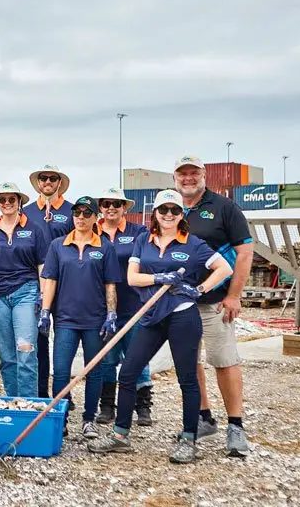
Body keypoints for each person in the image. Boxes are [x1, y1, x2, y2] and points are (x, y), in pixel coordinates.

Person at [87, 190, 232, 464]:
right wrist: (157, 277)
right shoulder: (145, 240)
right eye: (163, 210)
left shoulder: (194, 244)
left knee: (187, 379)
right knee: (128, 373)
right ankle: (120, 436)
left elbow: (224, 268)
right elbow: (131, 278)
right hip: (152, 315)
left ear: (181, 215)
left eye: (174, 211)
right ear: (155, 213)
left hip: (182, 316)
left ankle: (189, 439)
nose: (168, 215)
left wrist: (198, 289)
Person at [174, 155, 254, 457]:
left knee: (224, 361)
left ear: (204, 175)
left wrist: (234, 296)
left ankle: (236, 426)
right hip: (181, 303)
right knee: (189, 363)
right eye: (182, 174)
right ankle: (204, 417)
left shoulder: (224, 208)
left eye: (193, 173)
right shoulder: (170, 209)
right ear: (175, 178)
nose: (188, 178)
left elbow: (244, 253)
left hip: (216, 302)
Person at [40, 196, 120, 439]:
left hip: (95, 320)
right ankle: (61, 418)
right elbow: (50, 279)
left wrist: (111, 313)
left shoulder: (104, 247)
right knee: (61, 370)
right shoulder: (58, 245)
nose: (81, 218)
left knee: (94, 370)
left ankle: (89, 419)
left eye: (87, 214)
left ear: (96, 217)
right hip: (65, 319)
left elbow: (110, 284)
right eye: (77, 213)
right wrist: (45, 310)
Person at [0, 182, 50, 398]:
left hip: (26, 292)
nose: (7, 203)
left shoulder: (34, 229)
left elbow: (42, 265)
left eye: (11, 199)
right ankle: (13, 401)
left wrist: (43, 296)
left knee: (26, 350)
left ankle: (28, 404)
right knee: (7, 356)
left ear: (19, 202)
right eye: (3, 200)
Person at [94, 188, 154, 427]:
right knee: (107, 359)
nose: (111, 207)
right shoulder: (91, 233)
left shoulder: (138, 232)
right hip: (100, 308)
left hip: (133, 305)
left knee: (137, 357)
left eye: (116, 204)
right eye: (106, 203)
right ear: (100, 207)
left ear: (125, 207)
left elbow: (149, 263)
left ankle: (143, 406)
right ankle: (107, 405)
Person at [23, 164, 75, 398]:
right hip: (36, 284)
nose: (47, 182)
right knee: (40, 340)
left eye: (52, 178)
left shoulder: (72, 210)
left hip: (66, 284)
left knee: (65, 339)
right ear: (38, 183)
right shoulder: (27, 211)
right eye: (43, 178)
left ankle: (64, 392)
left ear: (59, 182)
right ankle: (42, 391)